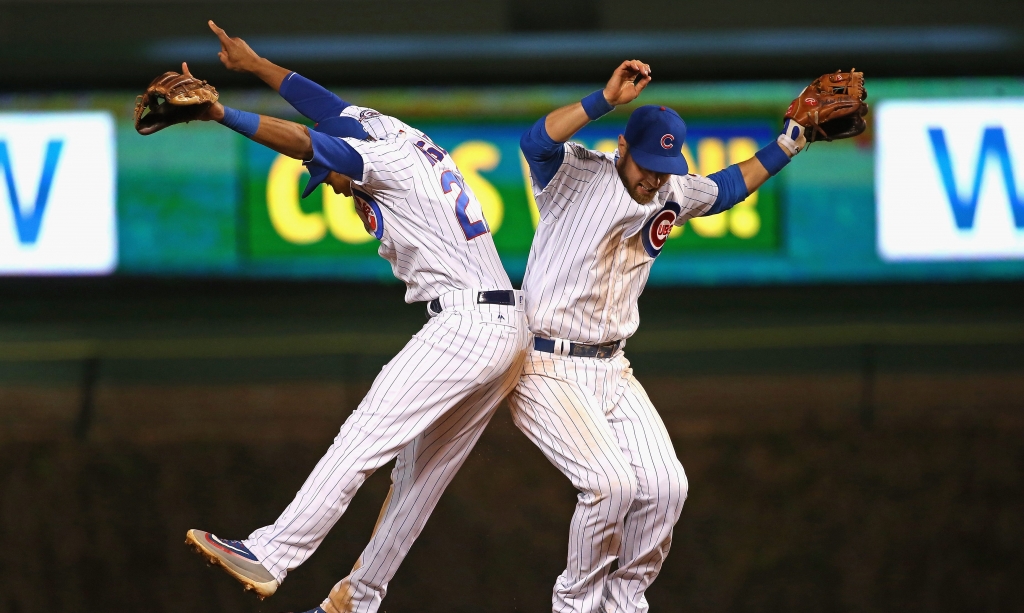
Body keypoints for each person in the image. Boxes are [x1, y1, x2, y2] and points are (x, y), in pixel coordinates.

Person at [179, 21, 529, 613]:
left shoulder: (371, 160)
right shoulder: (388, 131)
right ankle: (358, 600)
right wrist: (256, 64)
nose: (335, 188)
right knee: (419, 479)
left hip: (466, 324)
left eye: (330, 180)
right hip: (505, 324)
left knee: (363, 437)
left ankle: (272, 553)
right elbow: (326, 109)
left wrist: (223, 114)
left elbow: (305, 139)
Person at [508, 59, 806, 613]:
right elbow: (533, 141)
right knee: (611, 486)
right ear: (623, 146)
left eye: (665, 166)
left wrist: (787, 147)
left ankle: (624, 604)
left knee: (667, 489)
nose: (654, 176)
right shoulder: (575, 175)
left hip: (614, 369)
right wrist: (602, 98)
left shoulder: (673, 190)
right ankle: (575, 606)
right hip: (544, 364)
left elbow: (724, 189)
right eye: (647, 162)